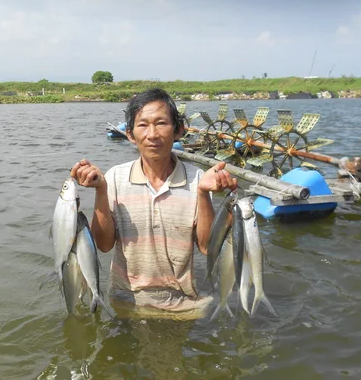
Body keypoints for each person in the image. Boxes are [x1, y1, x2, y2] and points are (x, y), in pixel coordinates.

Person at [70, 88, 237, 318]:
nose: (153, 134)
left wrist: (202, 193)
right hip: (124, 302)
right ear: (129, 134)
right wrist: (101, 190)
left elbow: (208, 248)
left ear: (179, 130)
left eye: (161, 123)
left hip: (184, 306)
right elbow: (104, 245)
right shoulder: (115, 178)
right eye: (143, 125)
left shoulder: (199, 179)